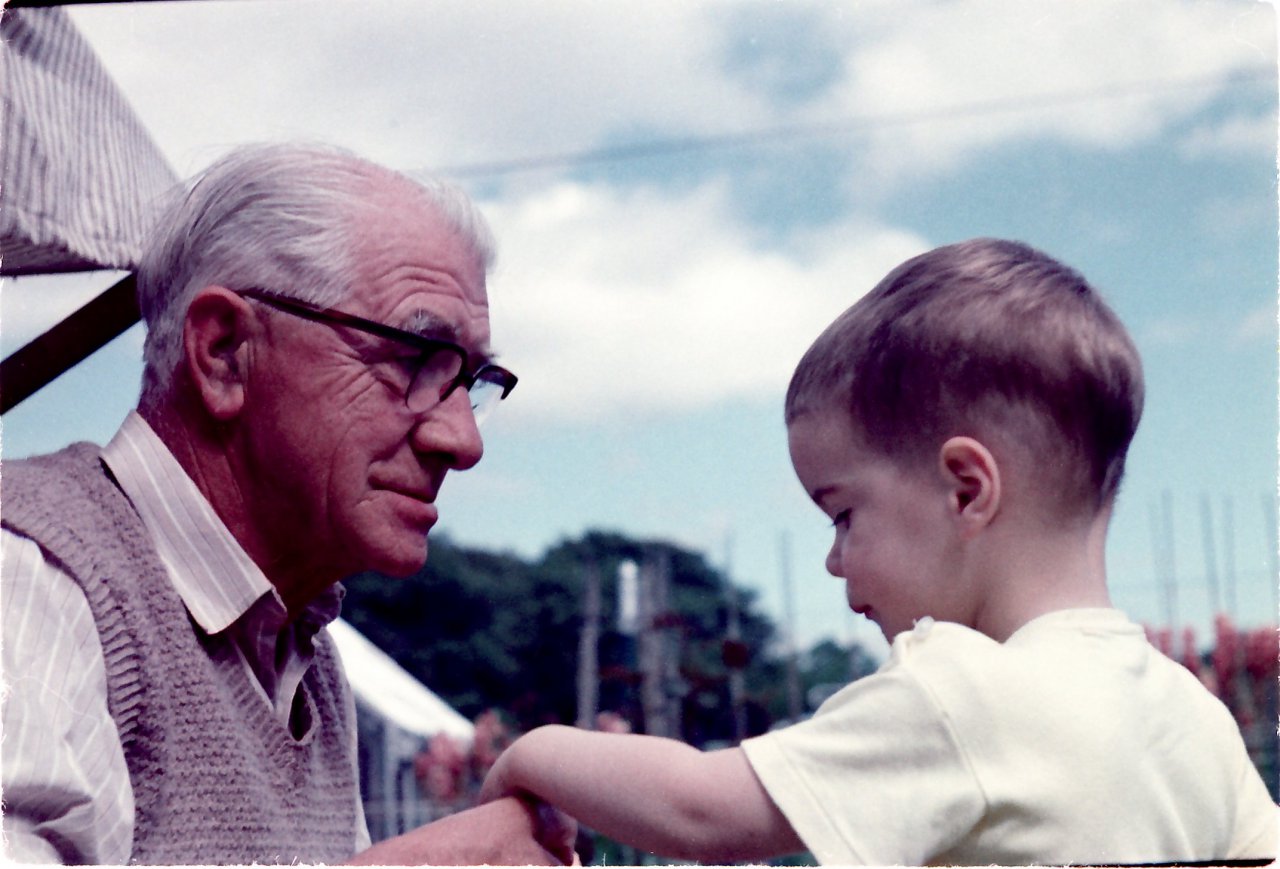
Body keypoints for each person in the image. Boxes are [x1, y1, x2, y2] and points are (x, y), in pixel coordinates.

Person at [479, 238, 1279, 865]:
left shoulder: (964, 694)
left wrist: (537, 751)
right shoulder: (1195, 719)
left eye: (842, 514)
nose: (833, 559)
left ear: (966, 490)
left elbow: (699, 805)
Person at [1, 142, 576, 865]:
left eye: (473, 381)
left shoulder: (308, 662)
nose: (462, 440)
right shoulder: (30, 576)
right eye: (413, 360)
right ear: (223, 353)